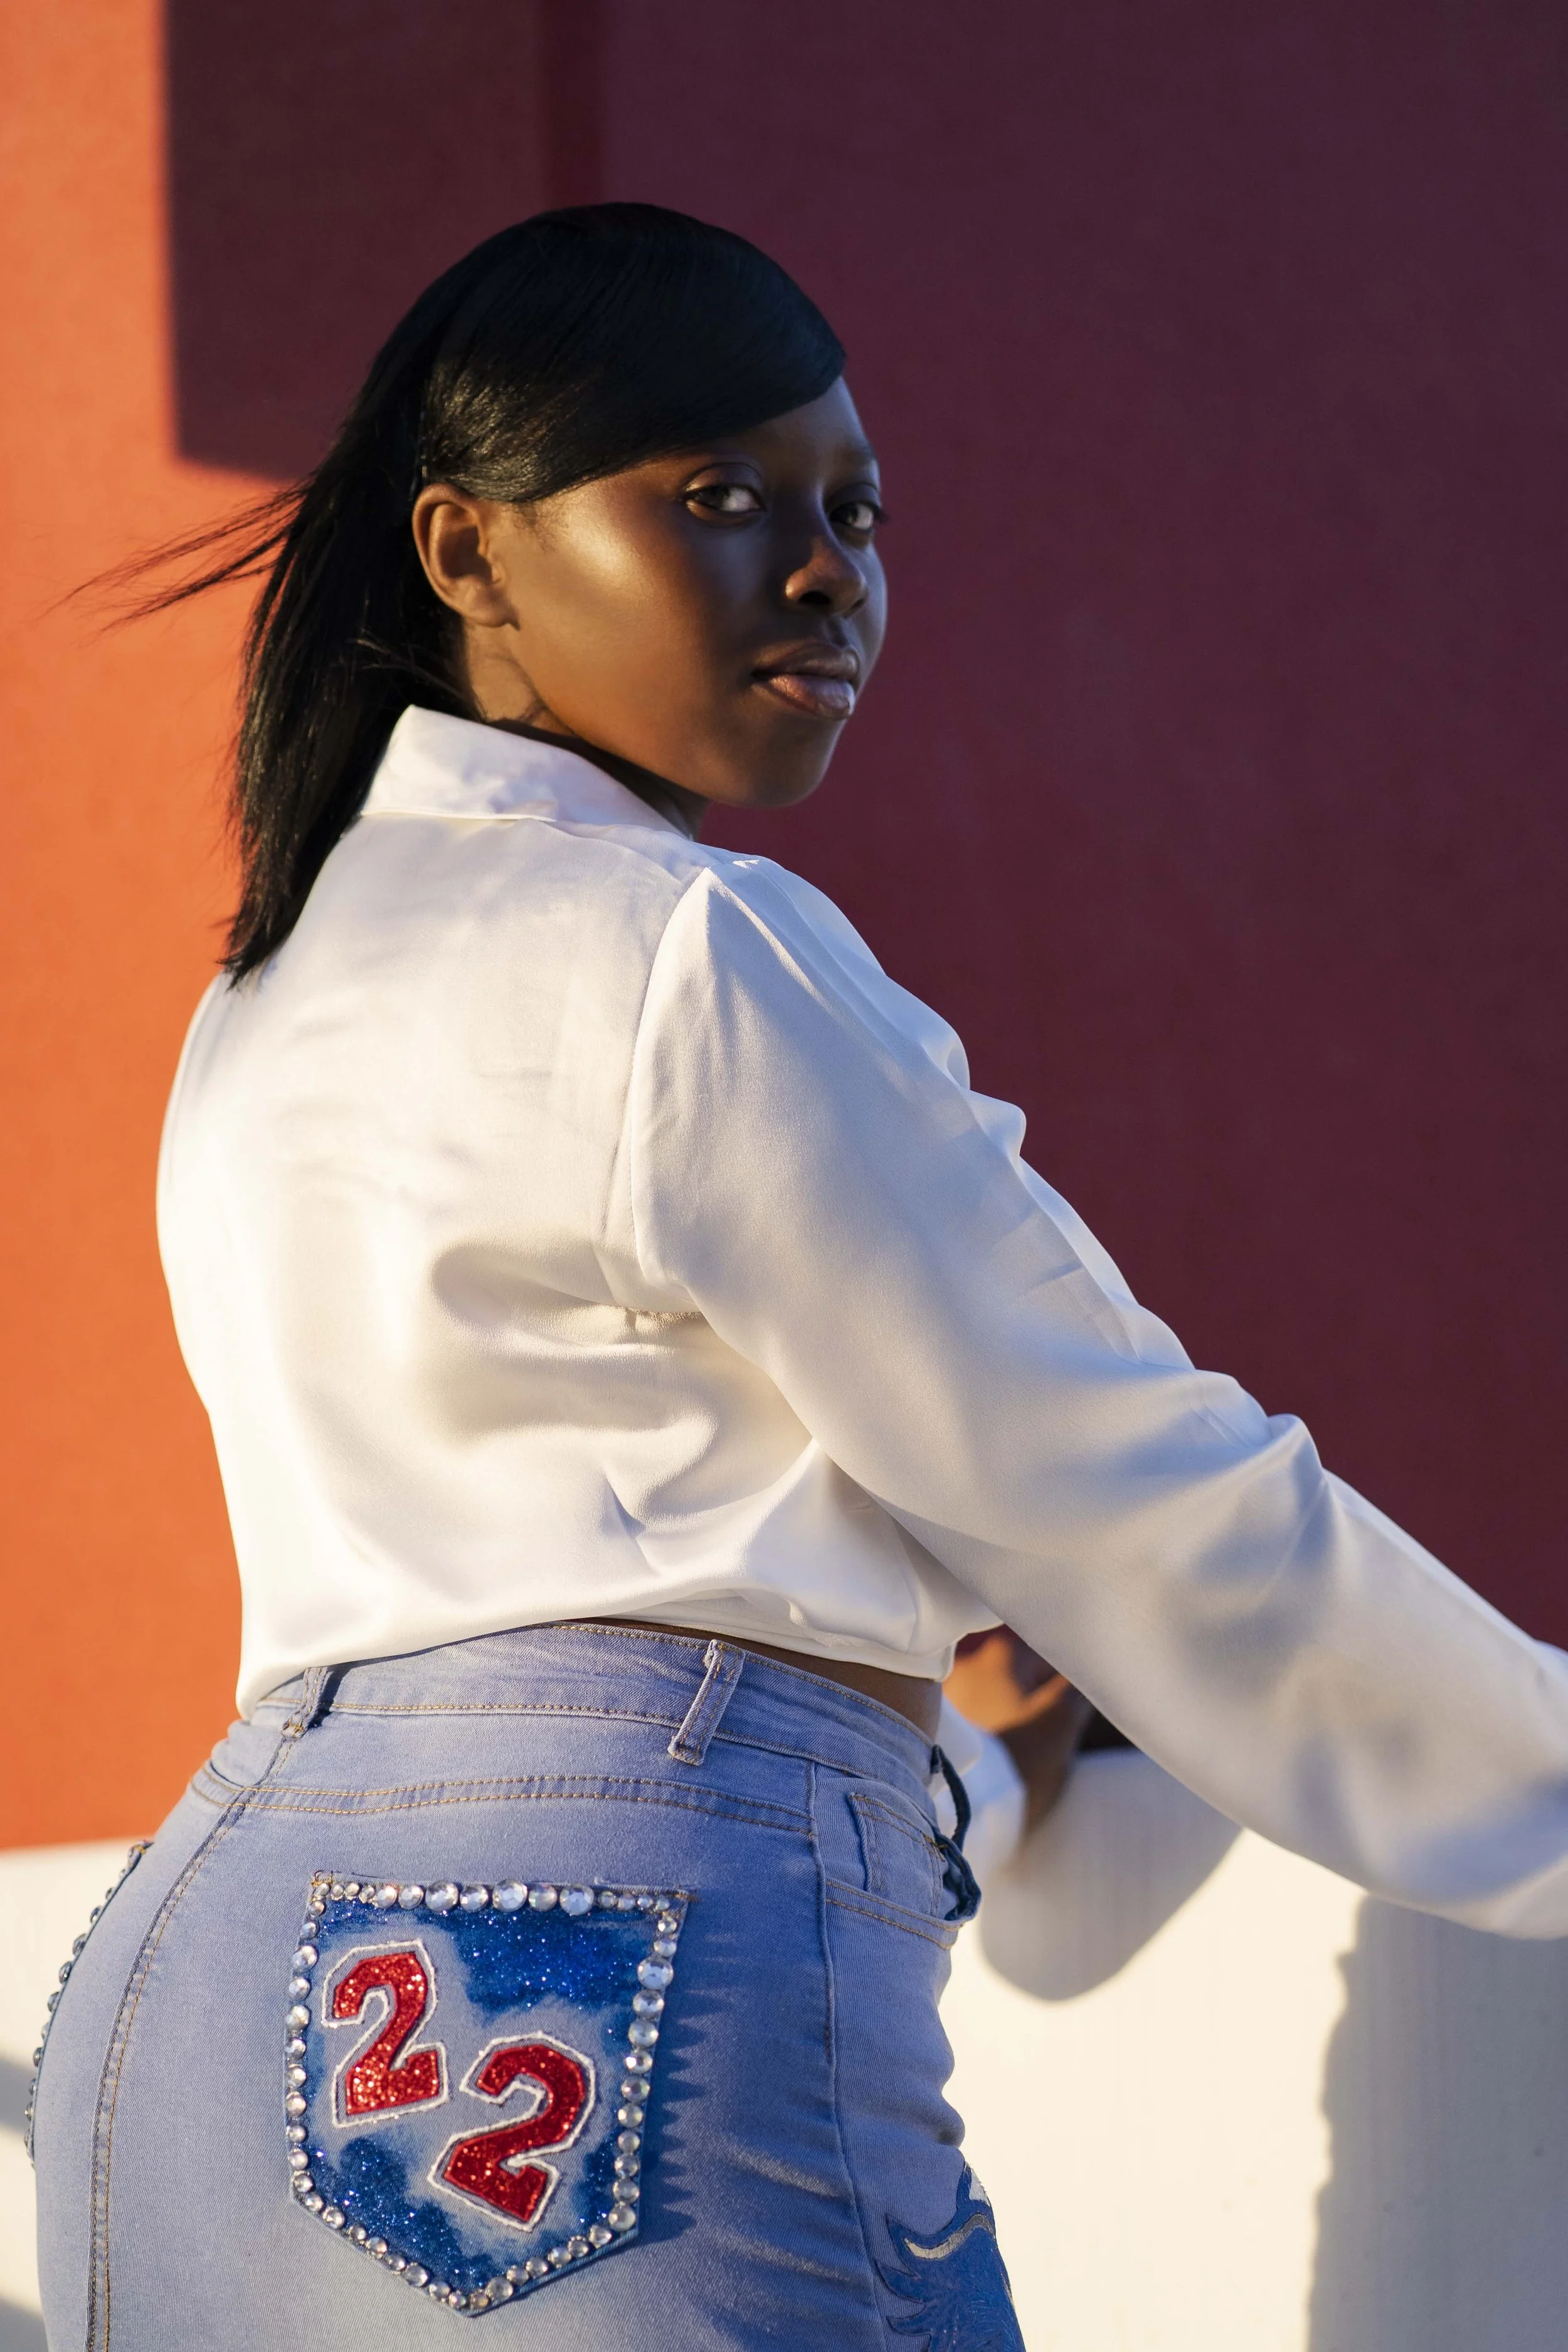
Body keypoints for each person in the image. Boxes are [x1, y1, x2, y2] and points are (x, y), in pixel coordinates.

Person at [29, 203, 1568, 2349]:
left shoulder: (265, 1003)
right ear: (461, 550)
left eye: (855, 508)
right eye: (719, 499)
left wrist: (957, 1733)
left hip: (208, 2018)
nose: (826, 569)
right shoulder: (678, 949)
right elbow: (1128, 1486)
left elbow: (537, 1595)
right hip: (598, 2018)